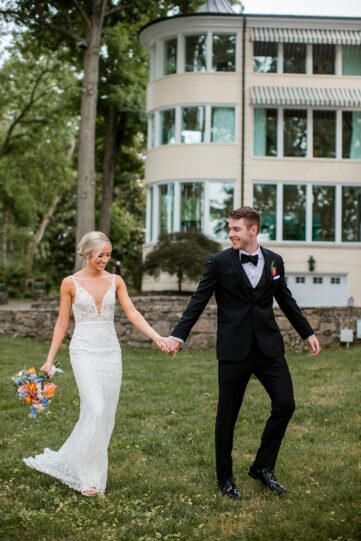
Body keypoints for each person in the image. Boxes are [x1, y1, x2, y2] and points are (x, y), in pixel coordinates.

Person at [165, 207, 320, 500]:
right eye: (230, 228)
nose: (231, 233)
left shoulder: (275, 261)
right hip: (234, 349)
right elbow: (199, 300)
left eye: (236, 229)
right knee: (227, 416)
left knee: (286, 403)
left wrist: (308, 332)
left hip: (268, 348)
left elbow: (286, 300)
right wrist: (178, 335)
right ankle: (225, 479)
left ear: (253, 230)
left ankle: (263, 466)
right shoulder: (219, 262)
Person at [24, 231, 169, 496]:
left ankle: (85, 467)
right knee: (95, 406)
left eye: (108, 255)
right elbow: (62, 322)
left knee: (105, 414)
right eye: (100, 255)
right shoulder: (69, 283)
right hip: (83, 351)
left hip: (110, 352)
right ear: (87, 253)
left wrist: (157, 338)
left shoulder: (116, 281)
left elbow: (132, 313)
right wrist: (49, 359)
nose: (105, 259)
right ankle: (86, 477)